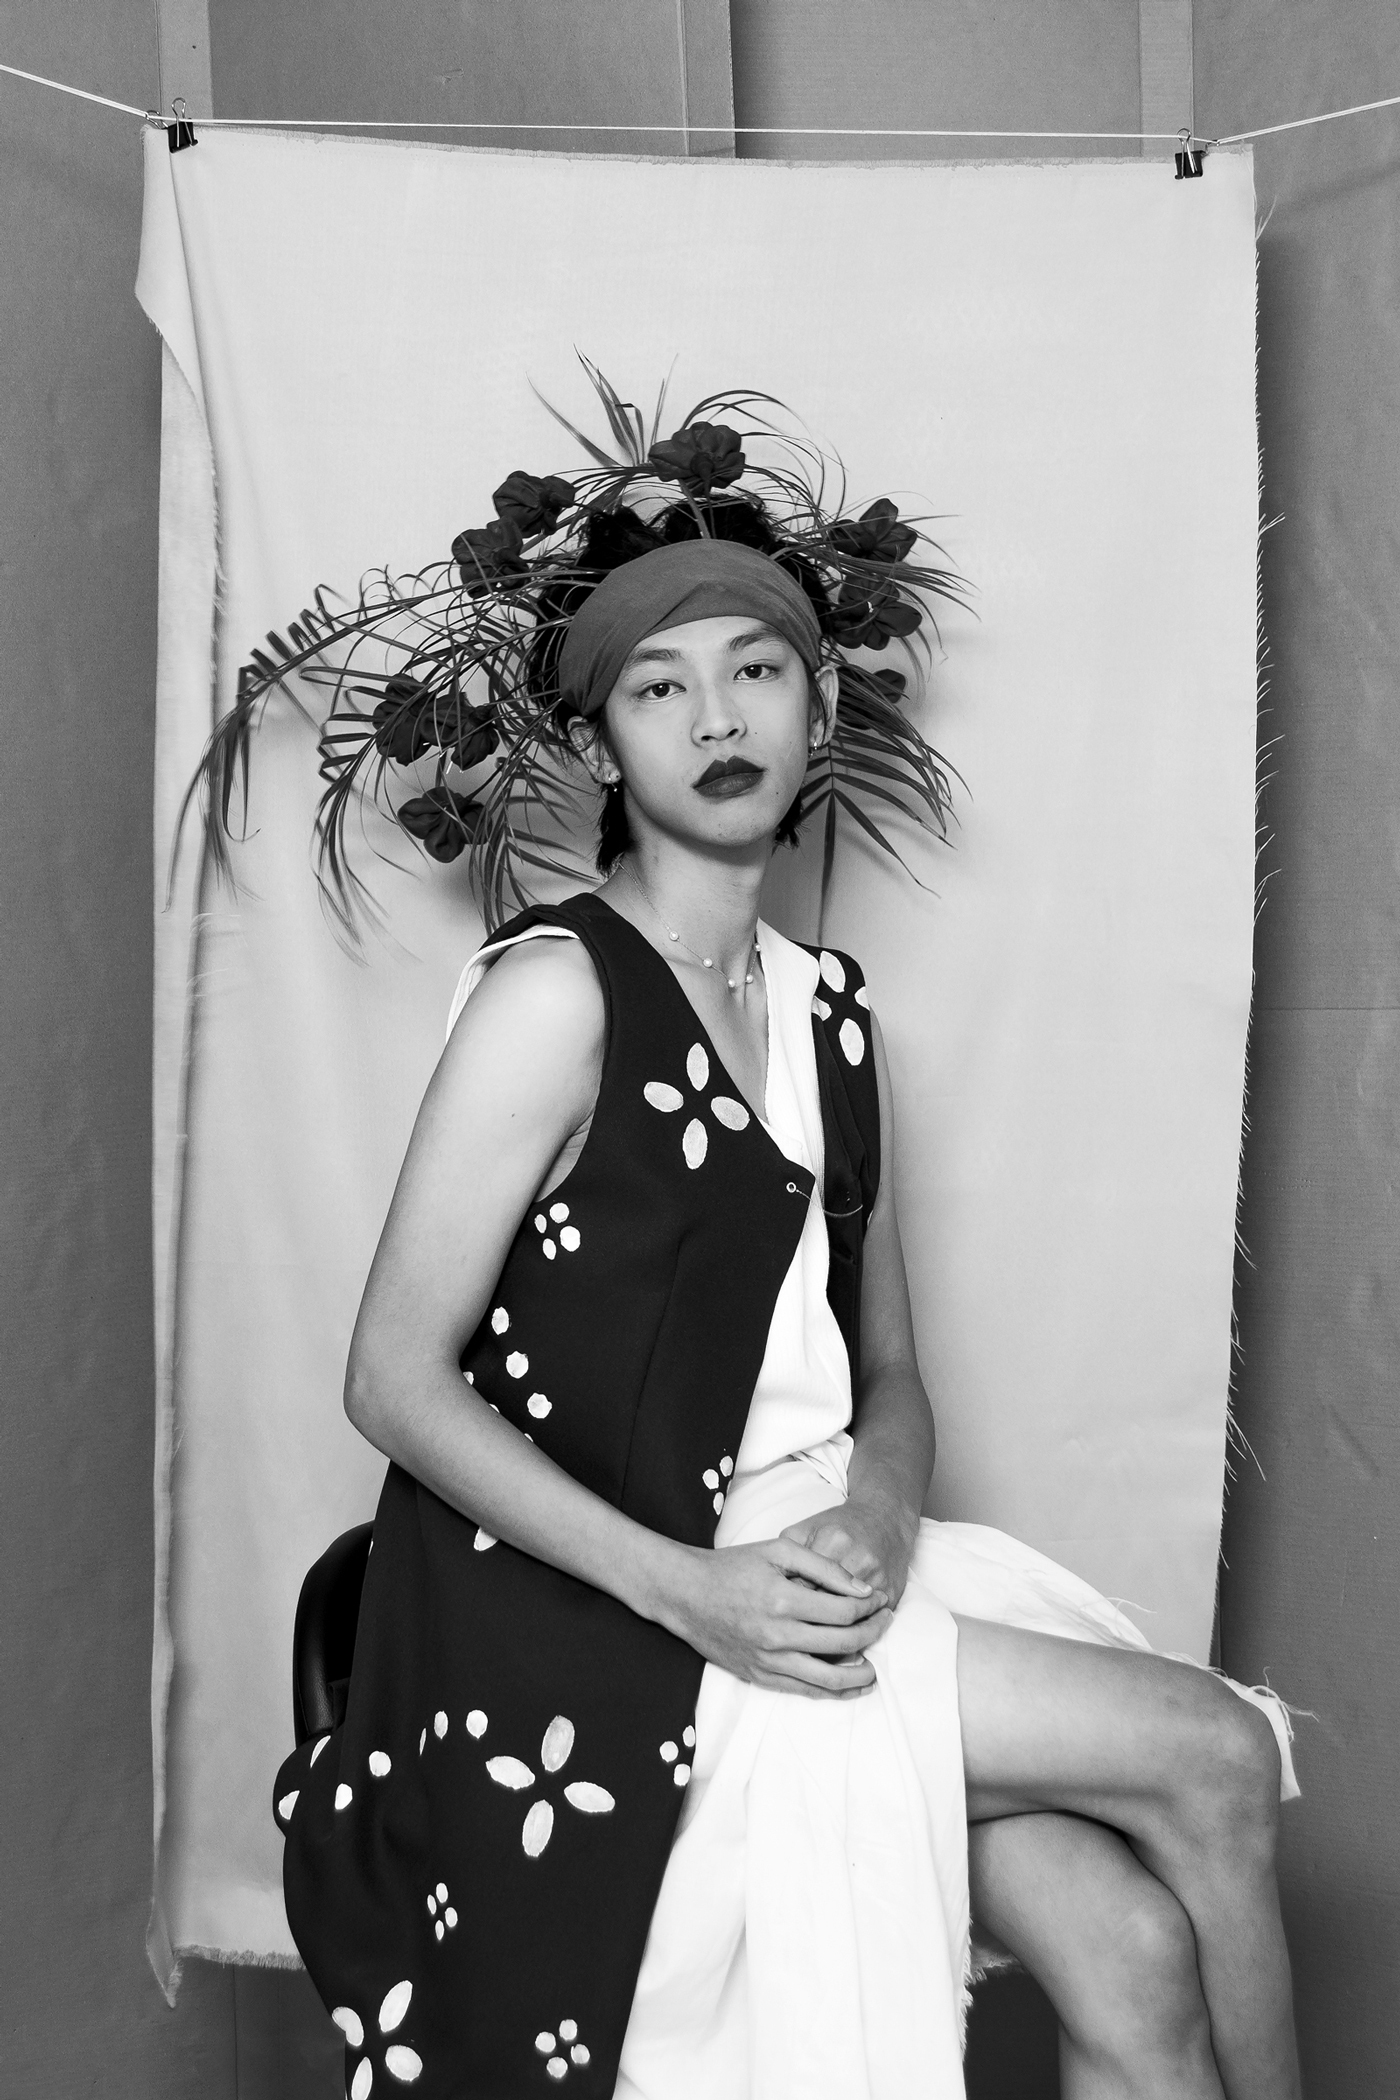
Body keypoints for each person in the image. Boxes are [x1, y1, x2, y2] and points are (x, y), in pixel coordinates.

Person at [218, 389, 1300, 2098]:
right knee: (1218, 1757)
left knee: (1135, 1951)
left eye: (757, 672)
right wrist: (697, 1594)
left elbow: (888, 1375)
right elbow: (390, 1380)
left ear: (817, 711)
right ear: (595, 748)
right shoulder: (558, 994)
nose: (715, 718)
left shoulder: (832, 1012)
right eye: (659, 686)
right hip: (603, 1606)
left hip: (809, 1555)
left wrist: (875, 1517)